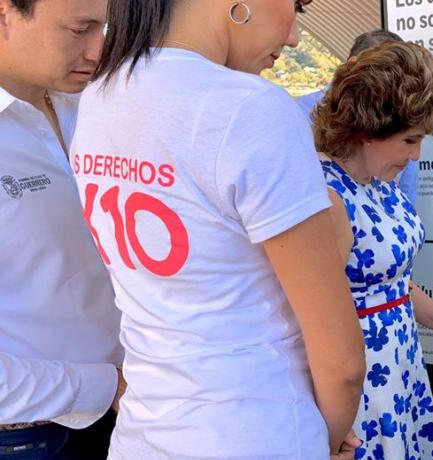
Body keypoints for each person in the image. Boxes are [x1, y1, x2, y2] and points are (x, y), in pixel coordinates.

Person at [70, 0, 366, 458]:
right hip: (257, 430)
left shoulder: (99, 97)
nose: (293, 37)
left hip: (144, 433)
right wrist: (322, 442)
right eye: (296, 5)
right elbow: (342, 362)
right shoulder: (249, 107)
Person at [312, 41, 433, 460]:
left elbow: (392, 285)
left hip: (400, 370)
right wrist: (330, 433)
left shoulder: (379, 184)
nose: (416, 154)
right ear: (368, 128)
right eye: (409, 140)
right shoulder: (328, 201)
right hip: (359, 390)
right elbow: (311, 326)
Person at [0, 0, 123, 458]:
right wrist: (105, 387)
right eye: (79, 29)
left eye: (103, 28)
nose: (98, 50)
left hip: (135, 408)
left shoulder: (100, 109)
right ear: (5, 15)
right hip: (28, 436)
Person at [300, 29, 422, 208]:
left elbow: (407, 203)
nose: (397, 91)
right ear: (353, 66)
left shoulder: (403, 129)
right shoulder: (296, 117)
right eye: (387, 76)